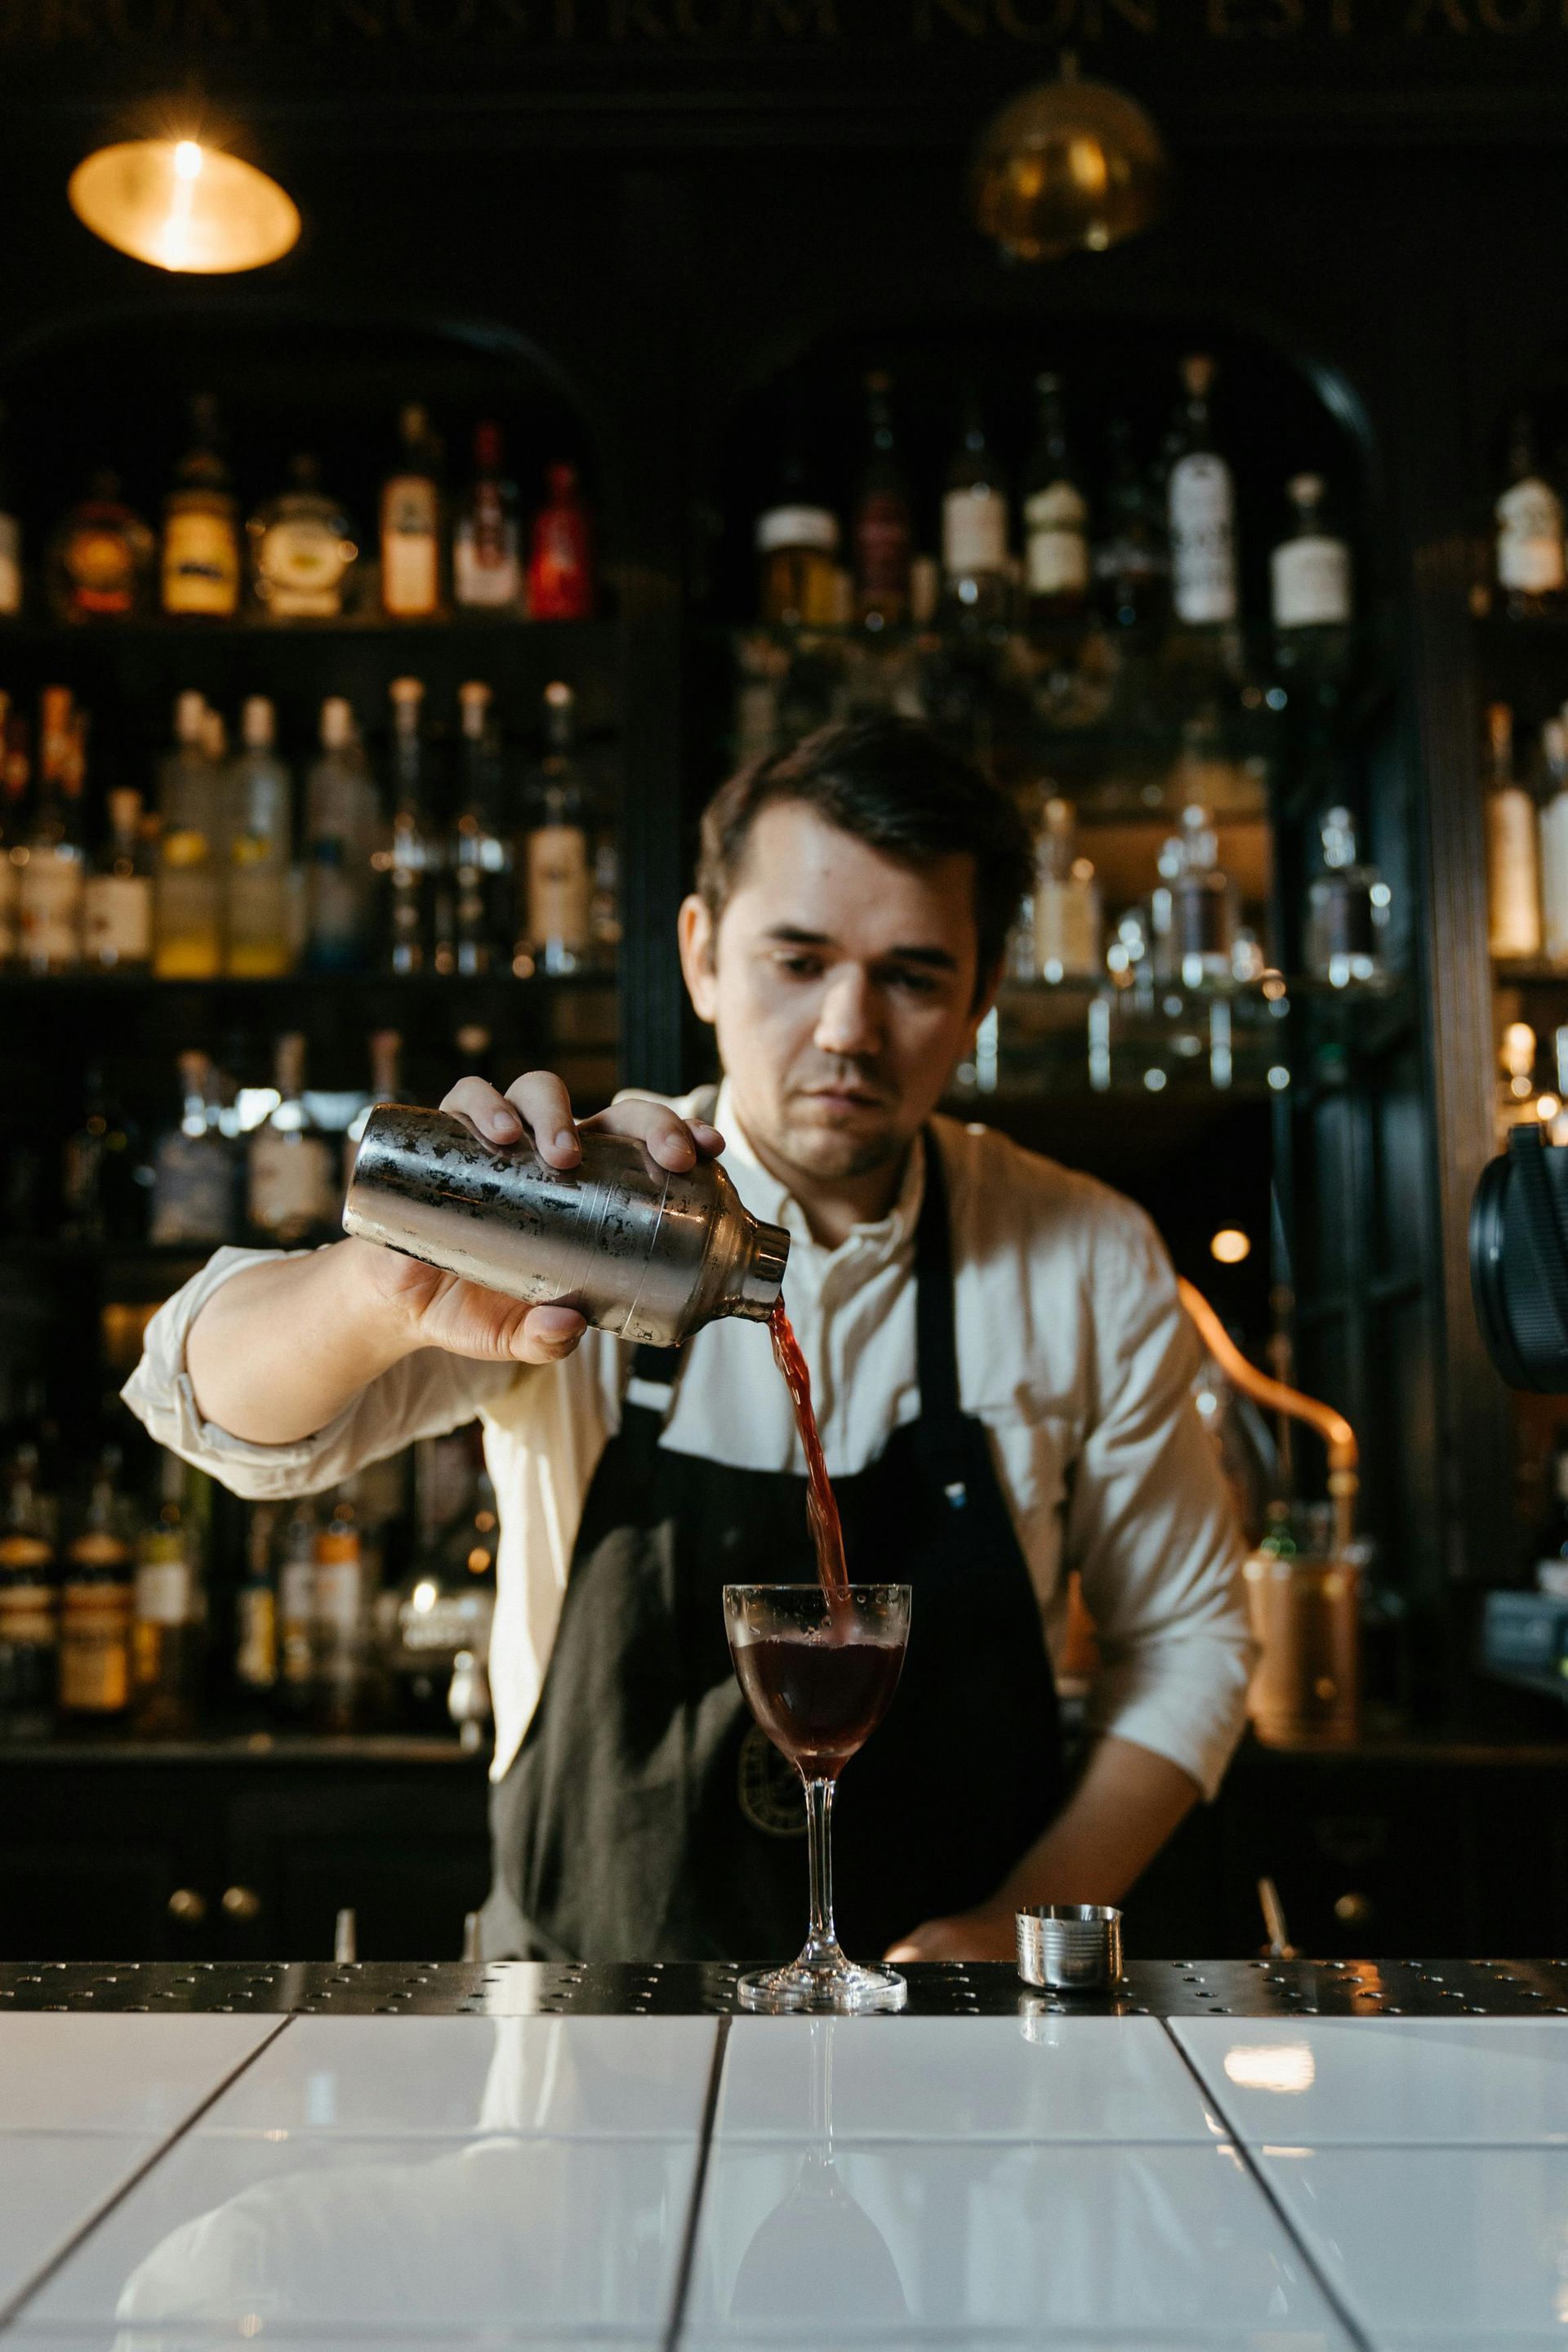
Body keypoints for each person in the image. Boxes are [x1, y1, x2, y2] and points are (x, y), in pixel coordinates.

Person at [125, 715, 1254, 1963]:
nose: (847, 1029)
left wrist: (1009, 1930)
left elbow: (1191, 1643)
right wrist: (392, 1283)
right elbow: (202, 1399)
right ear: (703, 956)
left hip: (959, 2038)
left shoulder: (1086, 1257)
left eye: (914, 975)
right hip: (581, 2015)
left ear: (982, 994)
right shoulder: (593, 1214)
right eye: (798, 960)